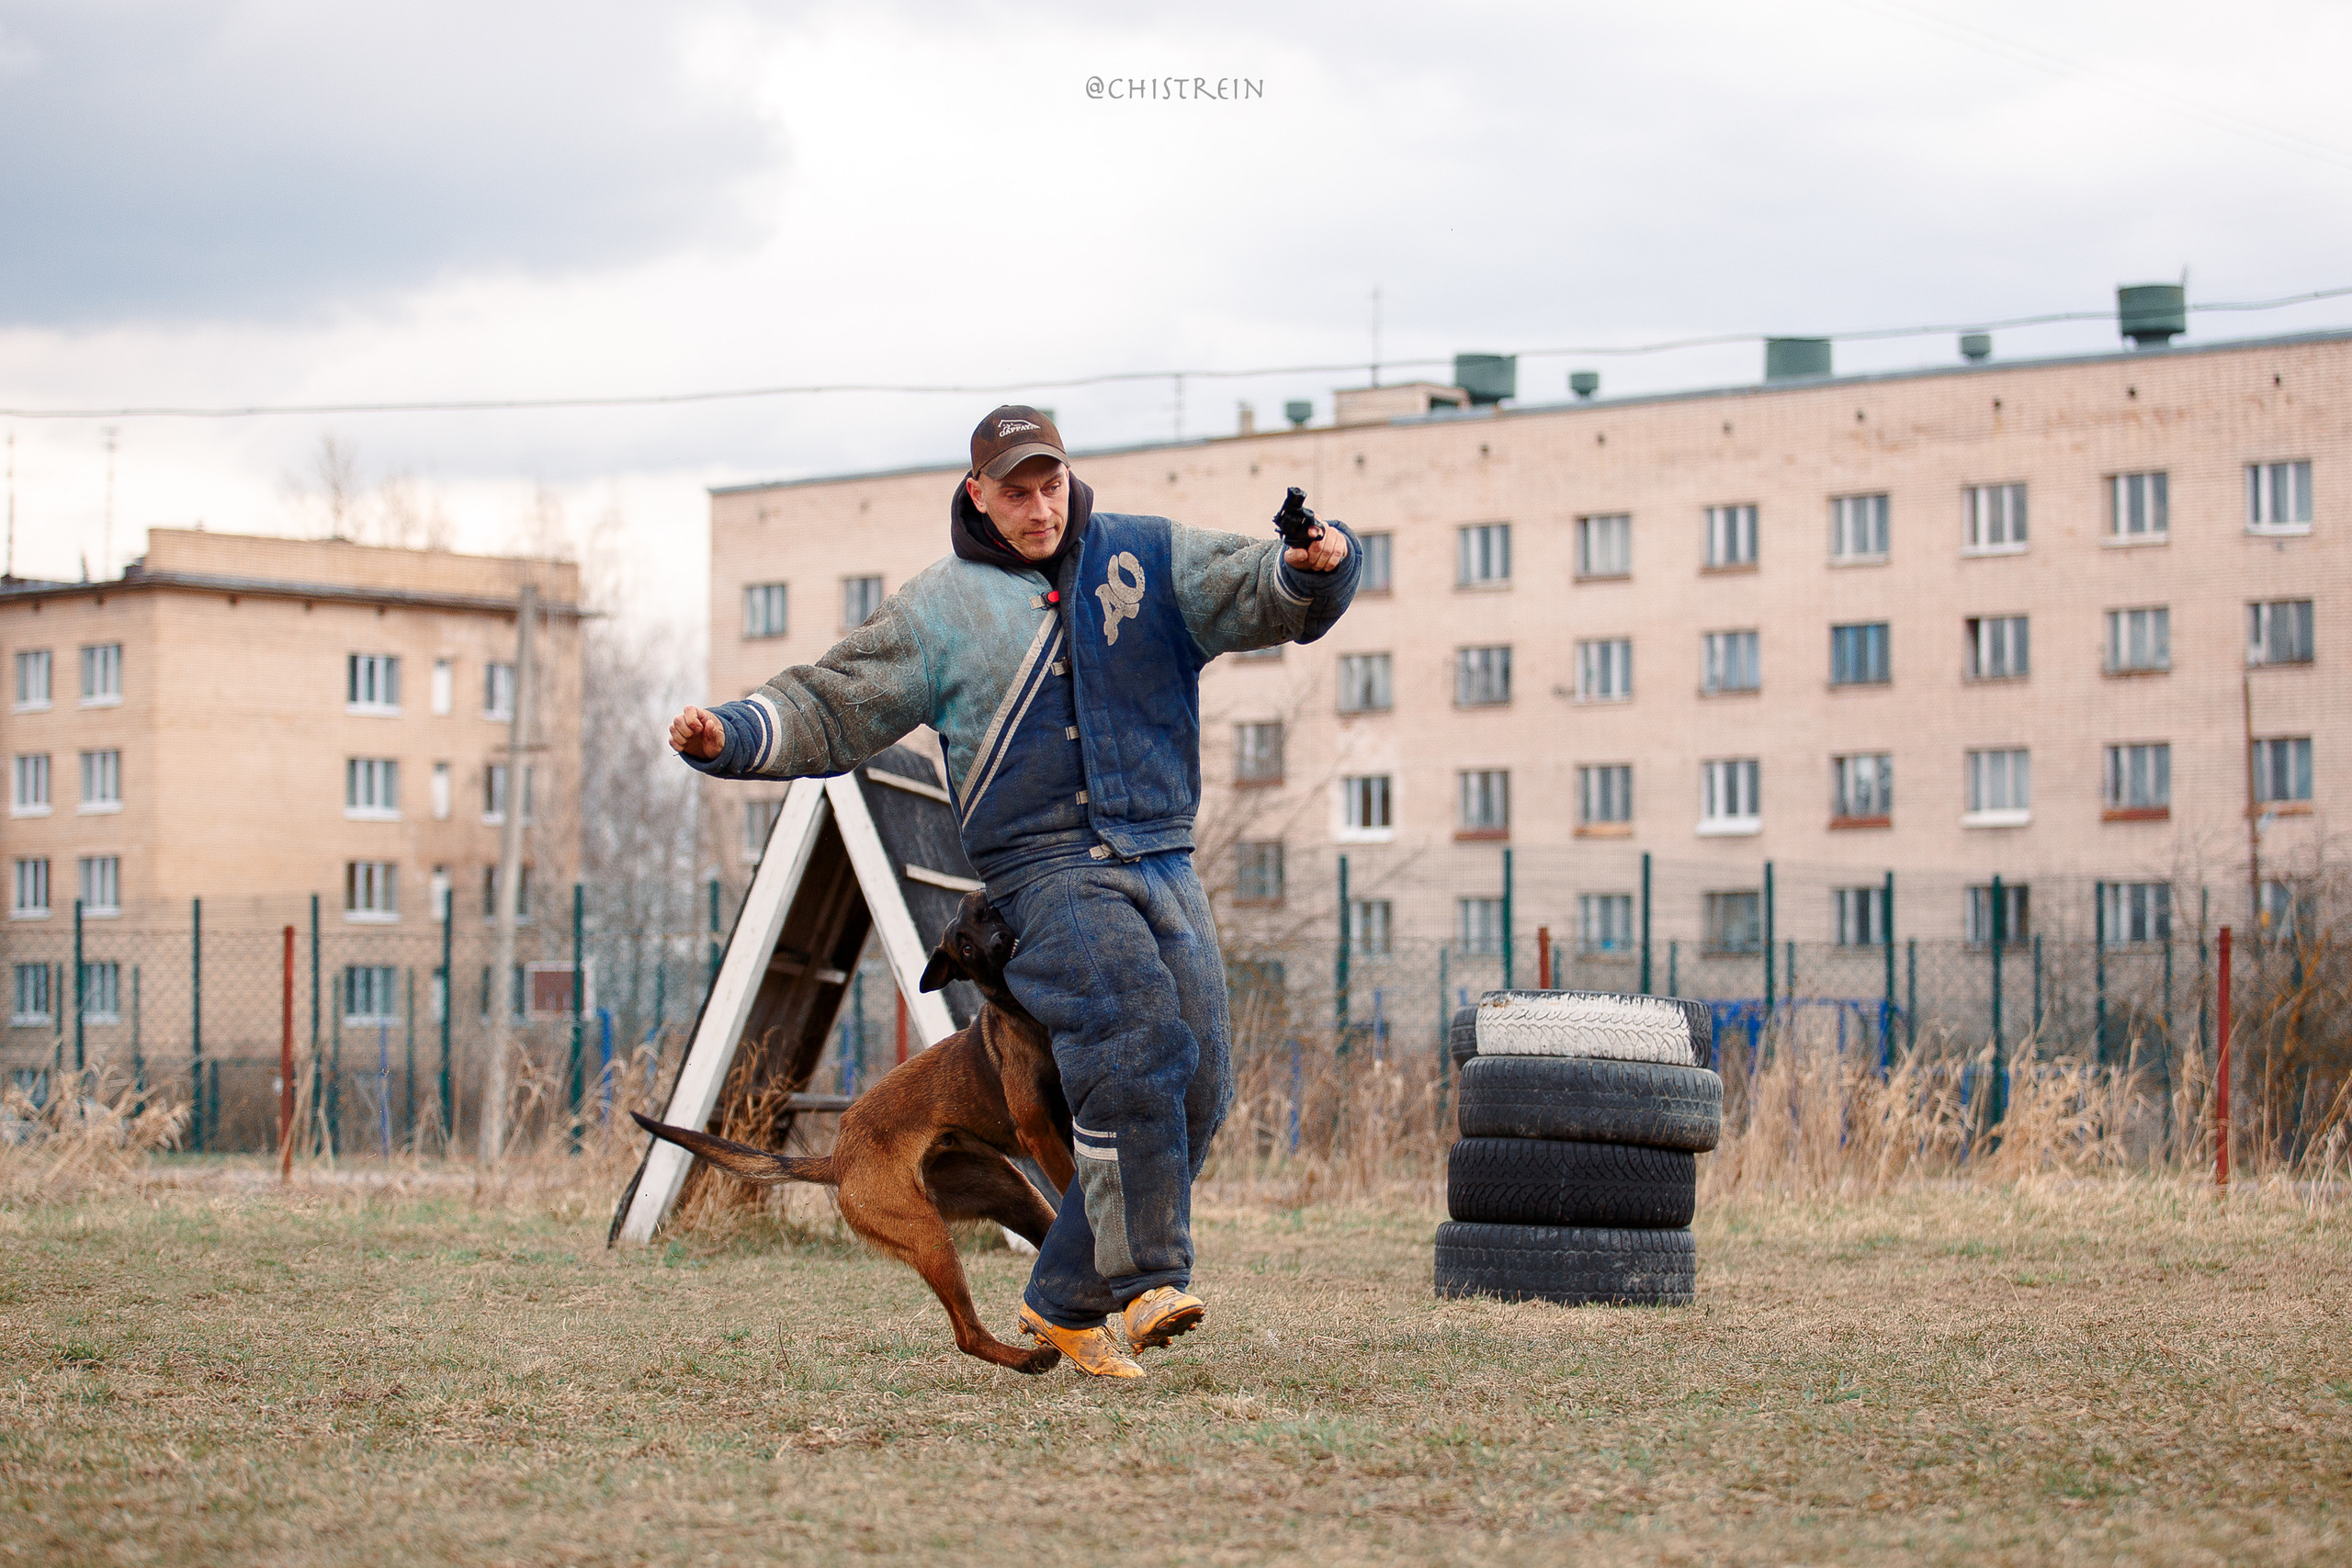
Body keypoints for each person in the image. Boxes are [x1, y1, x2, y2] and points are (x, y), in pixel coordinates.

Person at [669, 406, 1359, 1378]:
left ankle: (1061, 1299)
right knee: (1133, 1036)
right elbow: (834, 699)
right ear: (977, 495)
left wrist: (1318, 567)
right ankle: (1146, 1283)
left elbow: (1260, 587)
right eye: (1016, 491)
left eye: (1051, 484)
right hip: (1044, 870)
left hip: (1161, 852)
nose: (1040, 508)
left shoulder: (1146, 559)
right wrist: (732, 733)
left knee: (1201, 1084)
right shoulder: (939, 611)